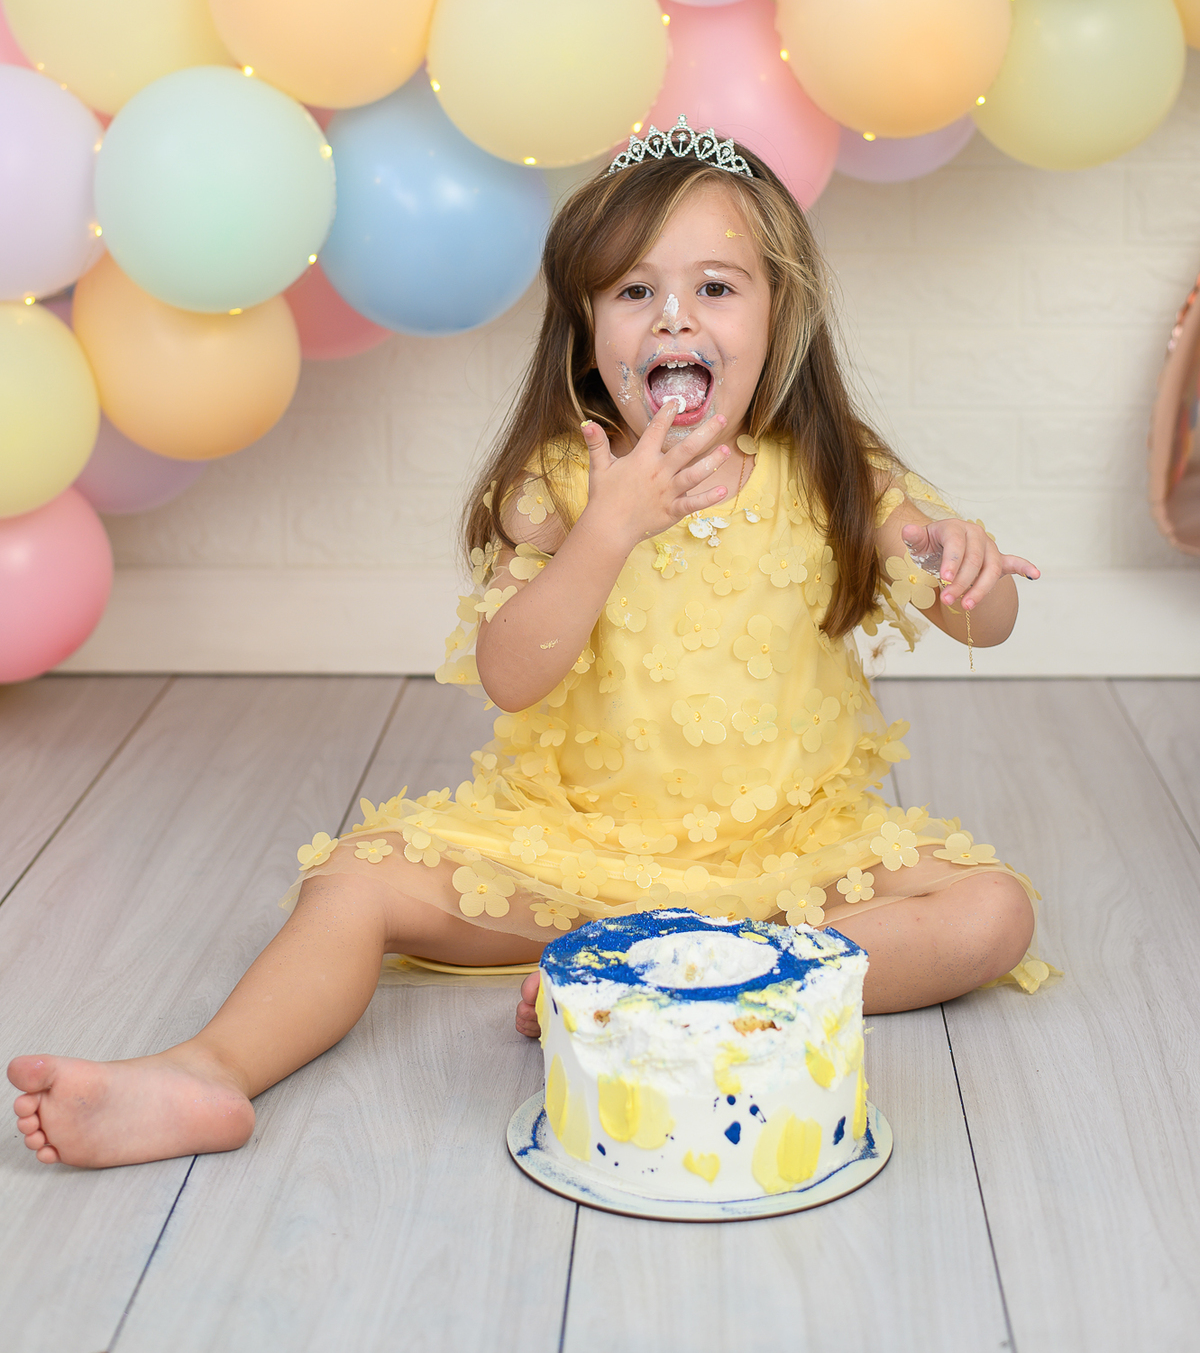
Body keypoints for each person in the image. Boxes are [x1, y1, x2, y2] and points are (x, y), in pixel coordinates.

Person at [9, 120, 1047, 1172]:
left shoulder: (833, 472)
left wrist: (966, 560)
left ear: (780, 317)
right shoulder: (558, 486)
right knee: (354, 882)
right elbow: (512, 675)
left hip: (790, 861)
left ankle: (669, 988)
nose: (674, 316)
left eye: (716, 288)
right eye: (634, 290)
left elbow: (986, 621)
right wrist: (609, 528)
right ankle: (207, 1071)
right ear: (587, 330)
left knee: (991, 911)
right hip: (574, 858)